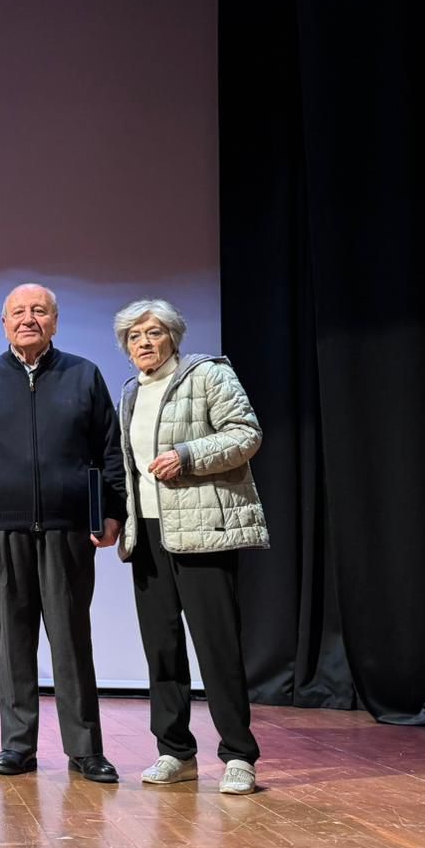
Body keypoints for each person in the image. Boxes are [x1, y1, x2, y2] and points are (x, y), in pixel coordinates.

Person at [0, 283, 125, 784]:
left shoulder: (83, 375)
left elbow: (109, 451)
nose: (29, 319)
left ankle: (86, 750)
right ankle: (18, 745)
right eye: (19, 312)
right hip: (0, 530)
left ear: (55, 321)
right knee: (14, 640)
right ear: (3, 323)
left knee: (72, 639)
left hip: (69, 530)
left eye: (39, 311)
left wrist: (112, 511)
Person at [113, 299, 268, 795]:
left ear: (173, 337)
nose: (143, 342)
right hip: (149, 536)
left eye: (153, 332)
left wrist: (186, 455)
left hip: (202, 532)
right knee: (162, 649)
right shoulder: (130, 393)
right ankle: (175, 751)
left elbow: (246, 435)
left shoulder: (209, 376)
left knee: (216, 646)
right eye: (134, 336)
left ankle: (239, 755)